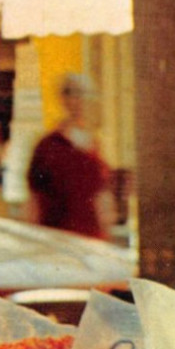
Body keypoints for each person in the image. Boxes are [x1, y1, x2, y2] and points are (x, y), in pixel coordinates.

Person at [26, 73, 113, 240]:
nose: (78, 101)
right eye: (72, 94)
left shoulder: (95, 146)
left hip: (91, 241)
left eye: (84, 95)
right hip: (57, 240)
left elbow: (101, 198)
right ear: (63, 100)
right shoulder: (48, 146)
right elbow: (33, 199)